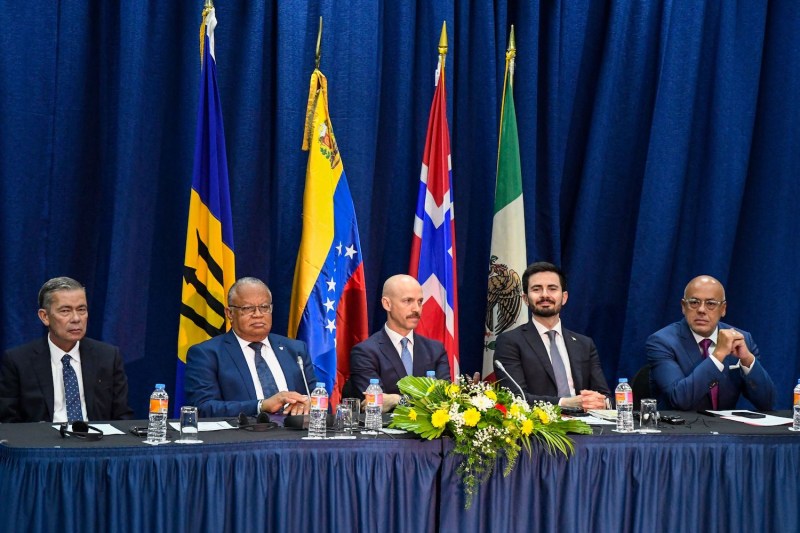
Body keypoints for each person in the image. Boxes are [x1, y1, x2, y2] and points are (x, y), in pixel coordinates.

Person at [0, 277, 133, 423]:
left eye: (81, 310)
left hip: (95, 442)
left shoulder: (108, 357)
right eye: (65, 311)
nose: (76, 318)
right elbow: (9, 423)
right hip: (43, 443)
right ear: (45, 317)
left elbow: (122, 417)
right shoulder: (18, 361)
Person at [184, 277, 316, 418]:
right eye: (247, 309)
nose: (258, 315)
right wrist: (261, 406)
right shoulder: (207, 354)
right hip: (242, 436)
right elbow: (203, 407)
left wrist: (310, 403)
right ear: (229, 313)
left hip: (295, 435)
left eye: (264, 307)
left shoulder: (295, 349)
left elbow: (318, 396)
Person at [646, 275, 775, 411]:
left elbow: (767, 403)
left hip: (726, 430)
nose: (701, 310)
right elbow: (679, 399)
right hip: (681, 429)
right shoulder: (662, 342)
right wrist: (718, 355)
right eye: (694, 302)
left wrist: (747, 359)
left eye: (711, 304)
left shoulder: (742, 339)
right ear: (684, 306)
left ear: (723, 309)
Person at [493, 262, 610, 410]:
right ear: (525, 298)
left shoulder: (584, 344)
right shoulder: (510, 342)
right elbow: (515, 398)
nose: (545, 295)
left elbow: (604, 395)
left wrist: (600, 402)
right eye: (536, 289)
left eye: (552, 289)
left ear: (564, 297)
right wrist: (564, 403)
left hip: (588, 427)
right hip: (538, 428)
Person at [349, 274, 451, 412]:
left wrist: (395, 400)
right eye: (408, 301)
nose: (416, 309)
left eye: (420, 301)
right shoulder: (365, 352)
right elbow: (376, 403)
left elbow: (444, 400)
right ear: (387, 304)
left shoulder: (435, 350)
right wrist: (416, 401)